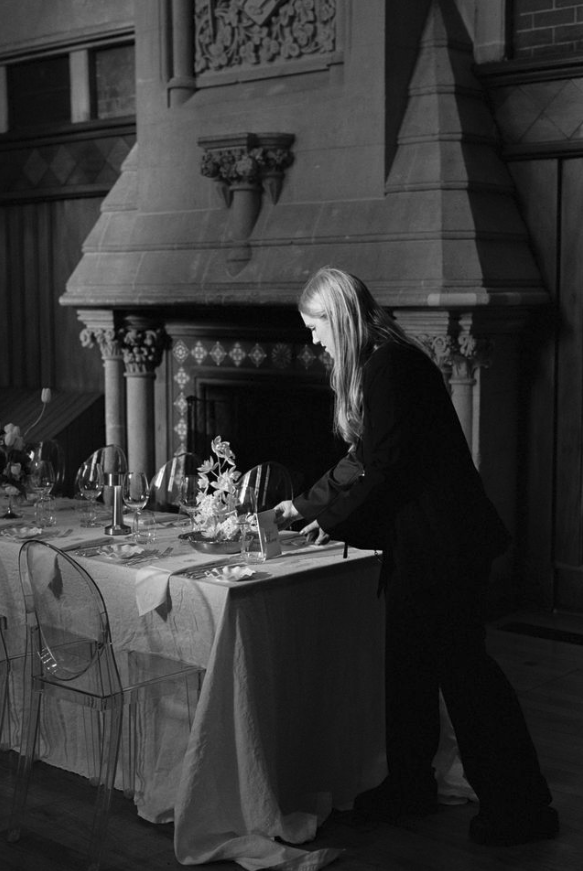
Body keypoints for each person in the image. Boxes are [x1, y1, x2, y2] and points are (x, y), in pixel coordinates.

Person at [273, 266, 558, 846]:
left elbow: (385, 473)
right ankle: (410, 785)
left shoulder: (392, 368)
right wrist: (299, 507)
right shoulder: (380, 364)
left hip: (444, 546)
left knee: (466, 676)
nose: (314, 341)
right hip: (423, 545)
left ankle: (523, 807)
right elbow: (360, 459)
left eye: (315, 327)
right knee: (406, 669)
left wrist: (328, 525)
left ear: (341, 316)